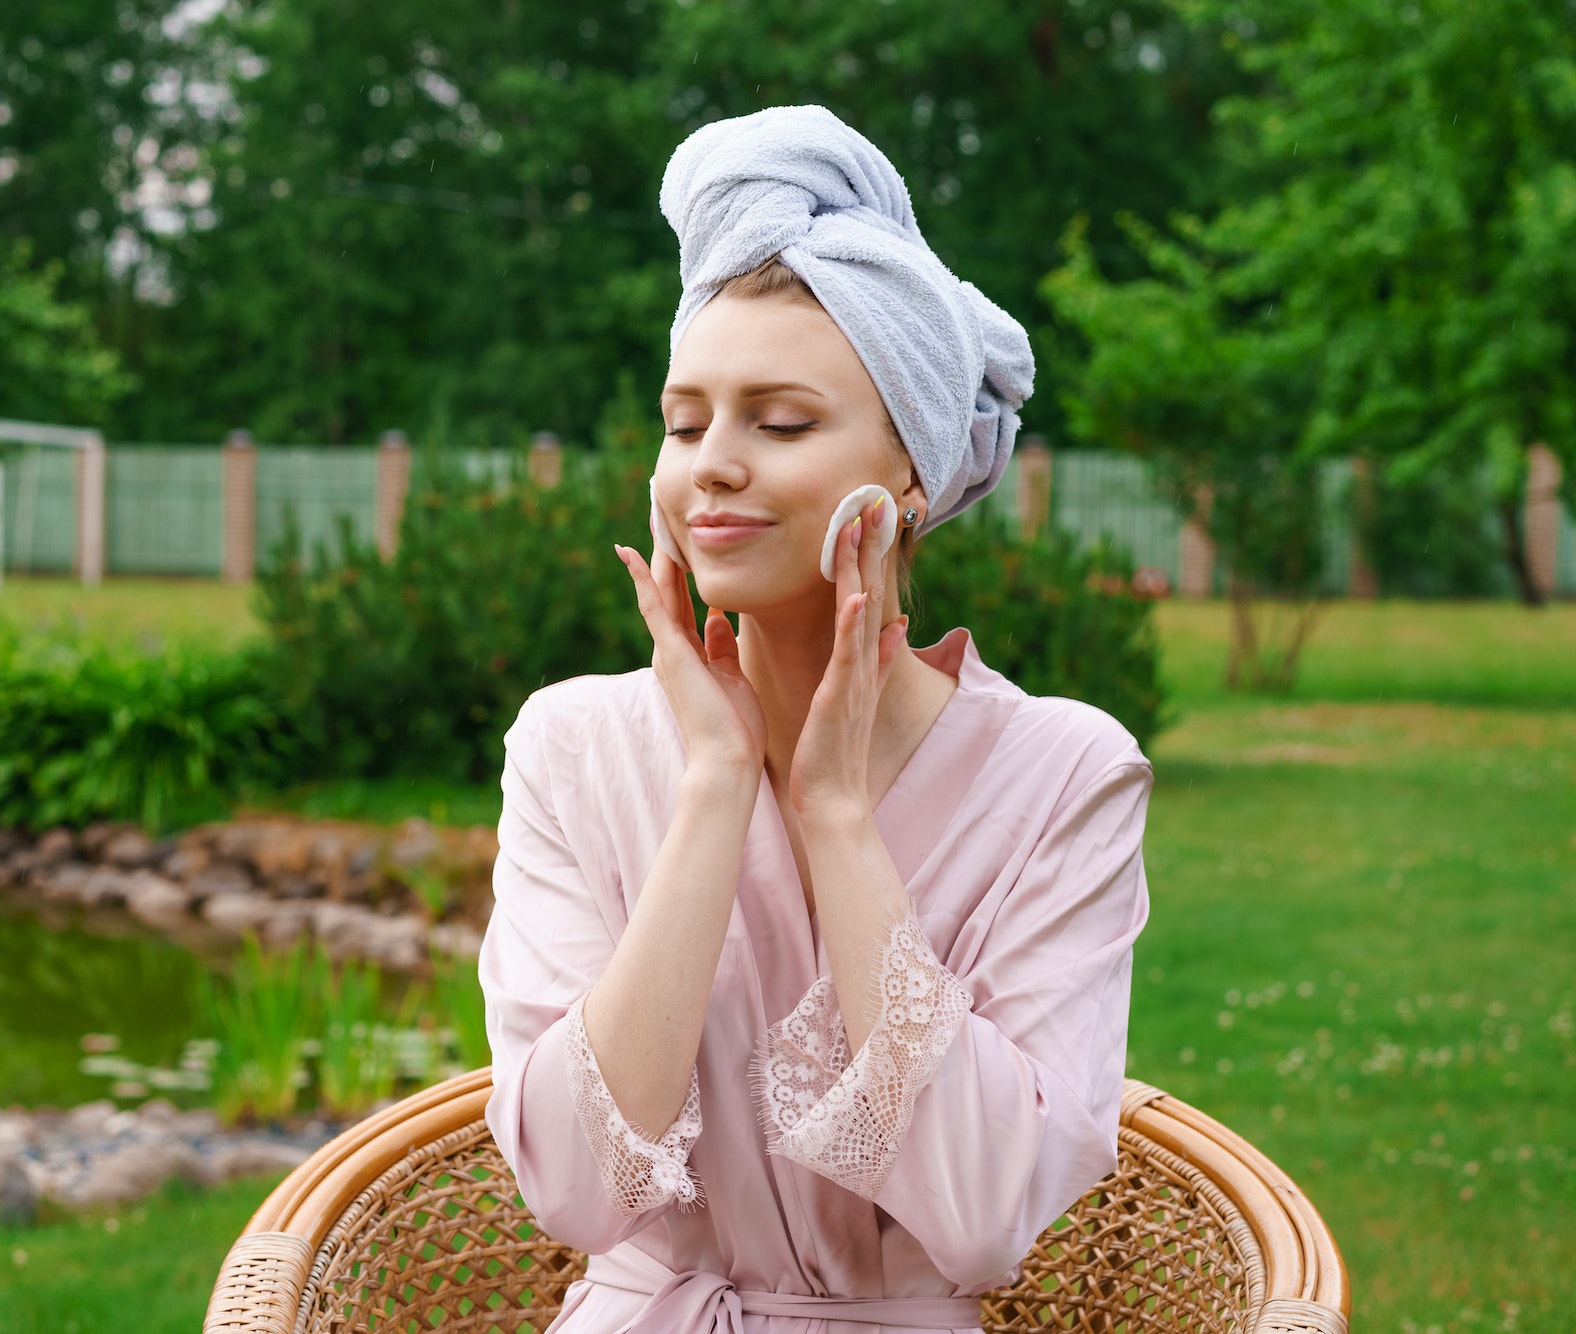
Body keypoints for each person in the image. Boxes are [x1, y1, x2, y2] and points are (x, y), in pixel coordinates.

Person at [480, 105, 1152, 1334]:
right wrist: (713, 784)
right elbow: (570, 1190)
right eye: (685, 422)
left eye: (780, 421)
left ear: (911, 473)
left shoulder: (1064, 775)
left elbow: (983, 1214)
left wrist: (835, 816)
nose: (712, 463)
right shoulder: (571, 749)